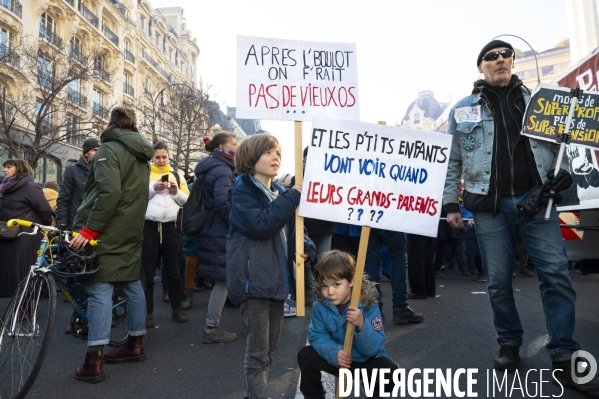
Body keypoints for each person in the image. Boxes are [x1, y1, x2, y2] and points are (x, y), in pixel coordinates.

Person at [443, 39, 599, 395]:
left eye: (506, 55)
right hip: (489, 206)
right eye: (492, 56)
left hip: (537, 201)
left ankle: (563, 352)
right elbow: (452, 162)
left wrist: (565, 177)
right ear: (480, 66)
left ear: (512, 62)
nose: (501, 60)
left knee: (556, 274)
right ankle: (509, 342)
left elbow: (564, 145)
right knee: (498, 281)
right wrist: (451, 204)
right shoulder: (462, 110)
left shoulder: (539, 103)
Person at [69, 106, 153, 382]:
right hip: (130, 228)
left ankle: (94, 360)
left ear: (111, 125)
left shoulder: (108, 150)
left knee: (99, 289)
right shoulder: (142, 155)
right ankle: (135, 343)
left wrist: (90, 229)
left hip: (106, 229)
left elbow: (108, 192)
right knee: (131, 284)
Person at [226, 133, 309, 399]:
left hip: (277, 280)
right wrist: (293, 196)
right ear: (250, 160)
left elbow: (296, 233)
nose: (275, 158)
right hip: (254, 281)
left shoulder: (281, 194)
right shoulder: (241, 191)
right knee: (258, 353)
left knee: (269, 350)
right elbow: (261, 224)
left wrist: (306, 248)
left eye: (278, 153)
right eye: (268, 153)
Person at [297, 250, 398, 398]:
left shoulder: (368, 305)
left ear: (351, 281)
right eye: (324, 286)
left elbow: (372, 349)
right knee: (305, 355)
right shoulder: (320, 306)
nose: (330, 291)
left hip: (364, 360)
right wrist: (335, 353)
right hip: (339, 359)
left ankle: (374, 392)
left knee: (390, 371)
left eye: (336, 284)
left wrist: (361, 325)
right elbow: (317, 336)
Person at [194, 132, 238, 343]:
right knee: (224, 281)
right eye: (234, 143)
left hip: (212, 228)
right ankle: (211, 328)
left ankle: (212, 327)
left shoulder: (212, 166)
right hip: (220, 230)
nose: (237, 146)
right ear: (223, 146)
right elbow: (223, 202)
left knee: (225, 279)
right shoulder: (222, 169)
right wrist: (237, 224)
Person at [142, 141, 189, 327]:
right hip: (149, 227)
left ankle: (177, 309)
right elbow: (137, 196)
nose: (161, 161)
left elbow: (186, 200)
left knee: (175, 271)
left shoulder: (178, 175)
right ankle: (148, 313)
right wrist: (153, 189)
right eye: (157, 157)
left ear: (169, 157)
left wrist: (175, 191)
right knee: (147, 272)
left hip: (171, 228)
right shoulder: (145, 173)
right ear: (152, 158)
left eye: (164, 157)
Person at [0, 159, 53, 298]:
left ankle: (25, 306)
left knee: (22, 271)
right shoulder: (6, 187)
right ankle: (16, 306)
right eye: (4, 167)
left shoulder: (30, 187)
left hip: (25, 236)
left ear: (20, 168)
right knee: (10, 272)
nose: (5, 170)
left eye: (9, 167)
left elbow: (45, 211)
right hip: (7, 234)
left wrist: (42, 227)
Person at [364, 229, 424, 324]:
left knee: (372, 261)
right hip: (392, 218)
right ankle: (400, 307)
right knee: (398, 257)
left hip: (371, 218)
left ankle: (374, 307)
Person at [55, 138, 100, 229]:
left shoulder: (103, 171)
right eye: (94, 150)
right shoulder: (72, 171)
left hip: (96, 226)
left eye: (100, 150)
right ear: (86, 153)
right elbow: (63, 200)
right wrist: (61, 226)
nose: (98, 153)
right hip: (77, 227)